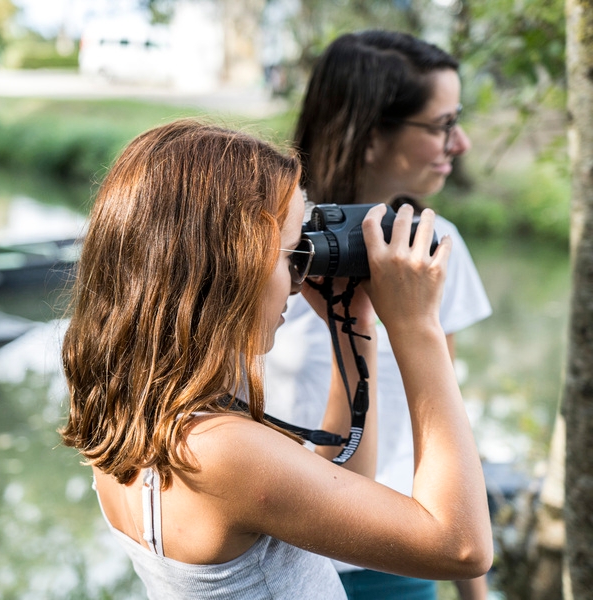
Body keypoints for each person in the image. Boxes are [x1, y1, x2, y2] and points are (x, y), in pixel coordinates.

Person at [60, 119, 492, 599]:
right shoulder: (222, 452)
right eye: (291, 253)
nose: (299, 277)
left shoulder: (140, 413)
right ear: (227, 264)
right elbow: (461, 548)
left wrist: (353, 331)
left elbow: (343, 482)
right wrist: (417, 329)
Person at [264, 30, 493, 600]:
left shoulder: (436, 248)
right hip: (276, 557)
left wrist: (473, 589)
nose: (459, 142)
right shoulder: (270, 251)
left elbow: (444, 420)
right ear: (370, 136)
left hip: (398, 558)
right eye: (441, 124)